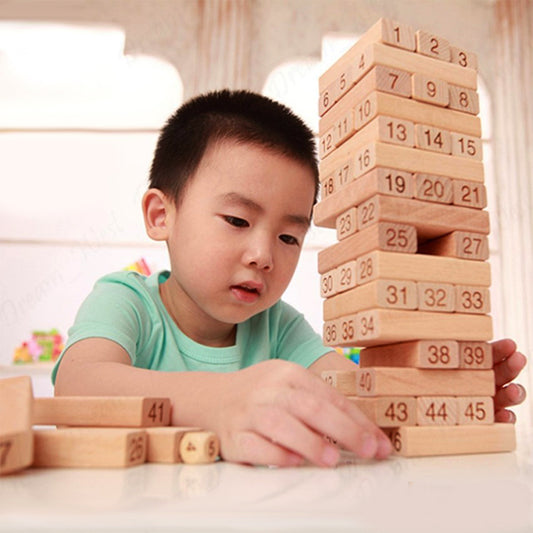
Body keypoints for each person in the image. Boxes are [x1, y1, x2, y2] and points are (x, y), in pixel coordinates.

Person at [53, 90, 527, 467]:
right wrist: (222, 399)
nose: (263, 256)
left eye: (289, 237)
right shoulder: (126, 301)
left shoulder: (278, 327)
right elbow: (78, 386)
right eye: (237, 221)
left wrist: (441, 391)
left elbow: (355, 393)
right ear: (161, 215)